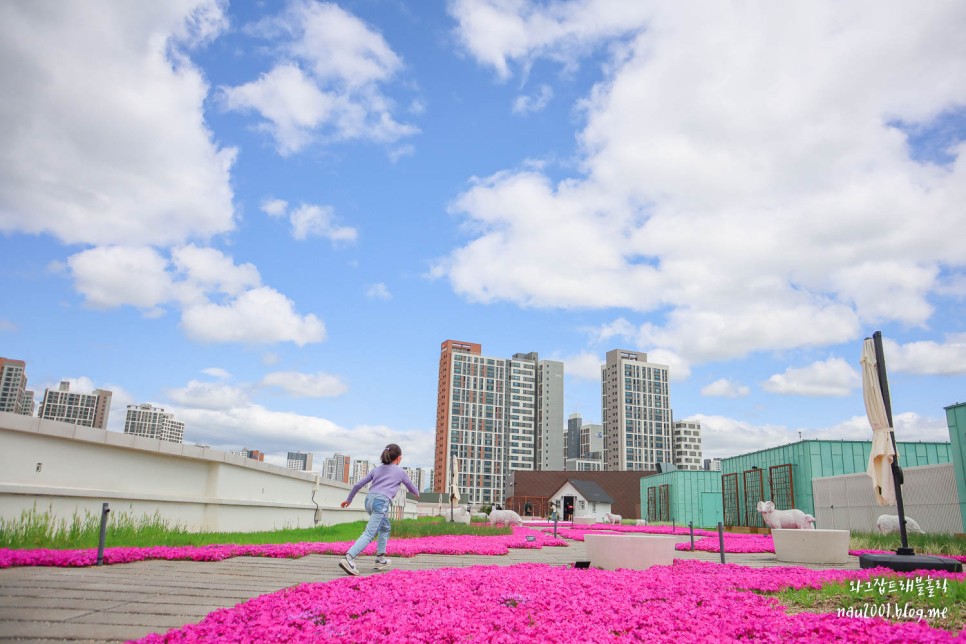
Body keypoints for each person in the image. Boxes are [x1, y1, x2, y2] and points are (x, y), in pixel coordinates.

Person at [338, 443, 419, 576]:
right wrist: (417, 493)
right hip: (381, 503)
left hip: (369, 501)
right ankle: (348, 558)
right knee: (369, 533)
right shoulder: (400, 472)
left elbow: (358, 484)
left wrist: (349, 500)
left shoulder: (377, 469)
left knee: (385, 527)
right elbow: (411, 488)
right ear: (399, 458)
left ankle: (380, 559)